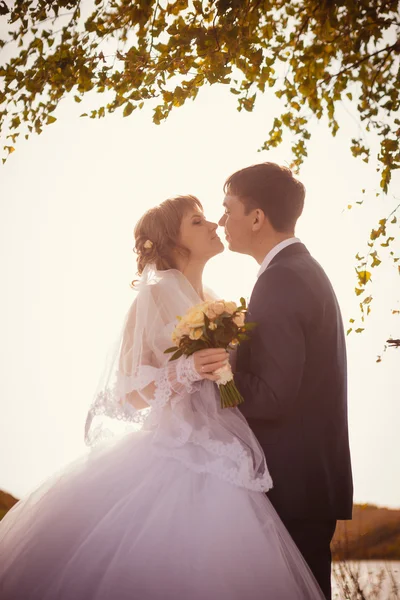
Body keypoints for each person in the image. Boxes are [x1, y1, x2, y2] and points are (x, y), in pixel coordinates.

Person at [0, 195, 325, 600]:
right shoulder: (151, 298)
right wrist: (185, 370)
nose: (213, 225)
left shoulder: (216, 300)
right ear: (173, 243)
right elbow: (128, 393)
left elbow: (232, 383)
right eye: (197, 221)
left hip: (227, 455)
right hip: (174, 453)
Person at [215, 163, 353, 599]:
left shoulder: (280, 280)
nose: (221, 222)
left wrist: (218, 379)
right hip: (308, 483)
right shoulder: (301, 270)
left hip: (291, 488)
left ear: (256, 217)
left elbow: (272, 397)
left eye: (227, 209)